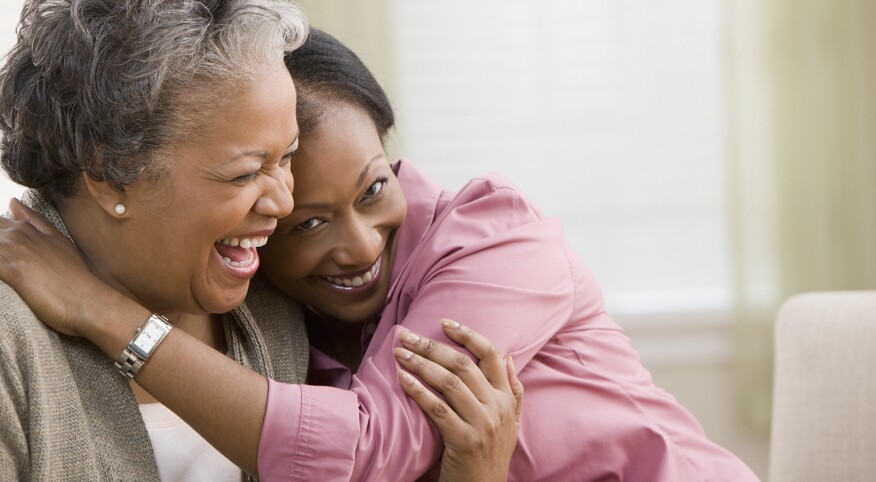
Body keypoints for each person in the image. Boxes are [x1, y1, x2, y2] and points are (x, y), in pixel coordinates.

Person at [0, 26, 757, 482]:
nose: (358, 246)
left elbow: (369, 451)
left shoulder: (492, 241)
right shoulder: (281, 318)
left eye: (372, 190)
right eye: (305, 223)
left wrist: (107, 314)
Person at [0, 3, 520, 481]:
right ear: (110, 175)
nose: (284, 204)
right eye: (246, 173)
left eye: (288, 157)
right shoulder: (11, 342)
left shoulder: (271, 303)